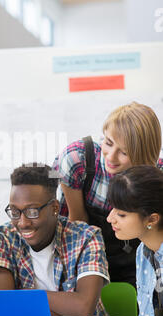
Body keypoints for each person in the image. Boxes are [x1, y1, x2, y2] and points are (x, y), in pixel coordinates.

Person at [52, 102, 163, 288]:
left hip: (142, 257)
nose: (110, 157)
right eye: (108, 143)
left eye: (124, 152)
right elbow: (77, 221)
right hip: (89, 250)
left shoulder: (156, 176)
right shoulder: (77, 159)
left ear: (143, 155)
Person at [0, 163, 109, 316]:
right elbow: (1, 305)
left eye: (32, 211)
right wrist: (66, 307)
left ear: (54, 208)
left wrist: (23, 297)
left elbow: (84, 307)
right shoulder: (4, 237)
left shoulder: (86, 237)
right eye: (15, 212)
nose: (22, 223)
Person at [83, 165, 163, 316]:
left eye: (121, 214)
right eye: (112, 210)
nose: (110, 219)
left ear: (152, 219)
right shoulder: (143, 253)